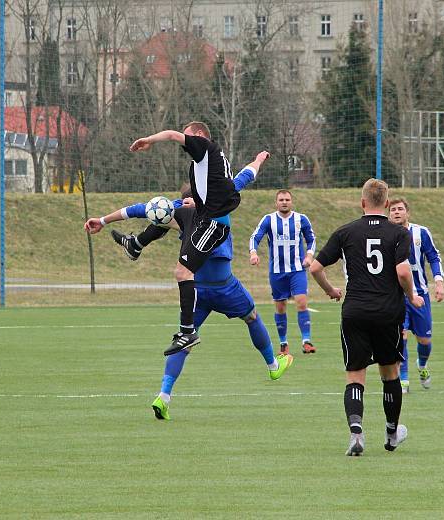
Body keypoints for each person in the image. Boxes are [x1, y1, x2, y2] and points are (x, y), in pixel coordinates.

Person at [86, 152, 291, 420]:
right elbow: (244, 176)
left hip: (195, 289)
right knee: (251, 316)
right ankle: (274, 365)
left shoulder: (177, 208)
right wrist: (259, 160)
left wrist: (102, 220)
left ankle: (163, 396)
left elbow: (138, 209)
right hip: (224, 286)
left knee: (184, 340)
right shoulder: (216, 203)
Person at [309, 178, 423, 456]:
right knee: (390, 373)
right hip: (387, 312)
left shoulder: (346, 231)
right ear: (386, 204)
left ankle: (356, 434)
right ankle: (392, 433)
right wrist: (411, 296)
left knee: (355, 377)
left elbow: (314, 267)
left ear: (362, 203)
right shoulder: (398, 233)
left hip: (355, 311)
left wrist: (332, 290)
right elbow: (404, 272)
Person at [128, 122, 241, 355]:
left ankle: (187, 332)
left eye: (188, 135)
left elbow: (171, 134)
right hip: (207, 221)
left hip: (213, 224)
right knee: (170, 223)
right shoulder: (209, 161)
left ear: (199, 135)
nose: (185, 142)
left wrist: (148, 140)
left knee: (182, 272)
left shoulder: (204, 147)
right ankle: (135, 244)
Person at [249, 190, 317, 355]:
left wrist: (309, 256)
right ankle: (283, 344)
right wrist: (253, 252)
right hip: (277, 272)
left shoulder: (301, 219)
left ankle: (306, 341)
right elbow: (255, 237)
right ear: (276, 202)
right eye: (281, 200)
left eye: (287, 199)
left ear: (291, 202)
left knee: (301, 301)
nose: (284, 202)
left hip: (297, 270)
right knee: (280, 307)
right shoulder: (269, 219)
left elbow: (311, 239)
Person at [388, 197, 444, 392]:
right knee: (400, 336)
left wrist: (439, 282)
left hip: (420, 295)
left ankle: (422, 365)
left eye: (400, 209)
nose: (396, 212)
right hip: (396, 296)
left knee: (424, 341)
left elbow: (433, 257)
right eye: (393, 209)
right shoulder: (385, 235)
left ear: (407, 212)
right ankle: (404, 379)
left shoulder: (421, 233)